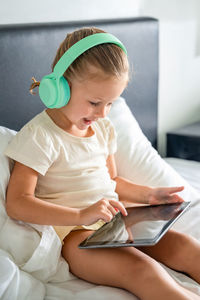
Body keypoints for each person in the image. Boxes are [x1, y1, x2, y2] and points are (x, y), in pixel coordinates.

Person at [5, 27, 200, 300]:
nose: (102, 113)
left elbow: (112, 182)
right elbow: (17, 203)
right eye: (95, 102)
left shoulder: (103, 129)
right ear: (59, 86)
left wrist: (149, 194)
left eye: (110, 103)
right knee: (143, 271)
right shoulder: (40, 136)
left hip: (116, 225)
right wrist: (80, 215)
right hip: (78, 239)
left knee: (186, 247)